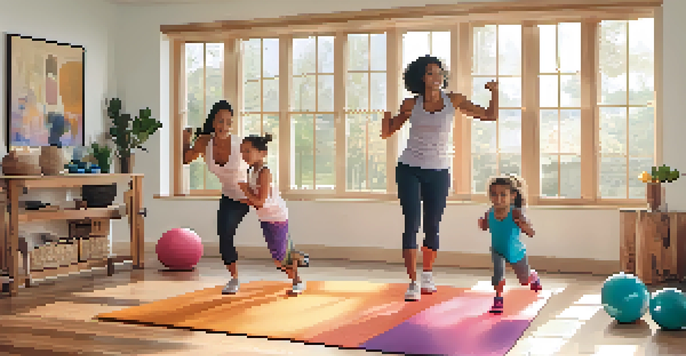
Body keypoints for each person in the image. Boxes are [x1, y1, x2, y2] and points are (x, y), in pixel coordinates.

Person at [381, 54, 499, 301]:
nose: (437, 77)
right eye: (430, 73)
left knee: (432, 225)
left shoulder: (453, 100)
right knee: (411, 223)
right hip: (409, 168)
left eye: (439, 72)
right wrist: (387, 117)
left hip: (439, 171)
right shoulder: (411, 104)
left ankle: (428, 275)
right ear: (421, 78)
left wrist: (494, 92)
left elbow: (489, 115)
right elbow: (388, 132)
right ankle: (412, 282)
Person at [182, 100, 249, 295]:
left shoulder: (239, 144)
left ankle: (294, 266)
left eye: (229, 122)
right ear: (213, 122)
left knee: (274, 230)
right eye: (221, 121)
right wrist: (186, 139)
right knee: (224, 235)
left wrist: (260, 194)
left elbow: (256, 164)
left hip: (251, 193)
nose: (225, 126)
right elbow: (186, 158)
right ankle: (234, 279)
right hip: (230, 196)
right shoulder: (204, 142)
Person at [238, 133, 309, 295]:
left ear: (262, 153)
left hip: (276, 217)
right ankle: (299, 260)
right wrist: (243, 198)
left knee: (279, 259)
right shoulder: (251, 170)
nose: (244, 155)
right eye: (242, 151)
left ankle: (297, 280)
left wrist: (245, 190)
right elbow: (257, 200)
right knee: (279, 255)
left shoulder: (264, 172)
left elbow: (260, 201)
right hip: (266, 217)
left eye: (248, 151)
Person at [478, 175, 542, 314]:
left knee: (524, 281)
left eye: (503, 195)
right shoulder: (490, 212)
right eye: (494, 195)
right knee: (498, 275)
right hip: (497, 250)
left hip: (516, 253)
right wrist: (482, 223)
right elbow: (486, 227)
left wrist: (524, 226)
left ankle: (533, 276)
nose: (498, 199)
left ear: (513, 196)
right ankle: (498, 299)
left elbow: (531, 233)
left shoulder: (515, 212)